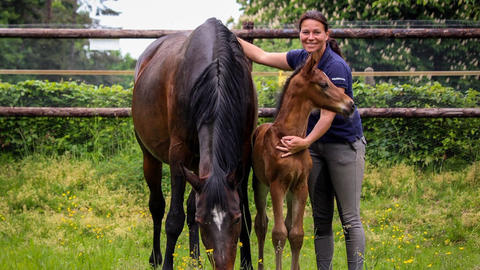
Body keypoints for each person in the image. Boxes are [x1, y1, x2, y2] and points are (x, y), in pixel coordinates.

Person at [238, 10, 366, 270]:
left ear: (327, 35)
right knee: (320, 217)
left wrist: (304, 142)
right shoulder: (301, 60)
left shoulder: (335, 66)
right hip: (311, 148)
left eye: (316, 32)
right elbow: (261, 56)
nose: (310, 37)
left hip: (342, 146)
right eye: (305, 32)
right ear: (300, 34)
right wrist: (225, 35)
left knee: (349, 217)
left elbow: (328, 116)